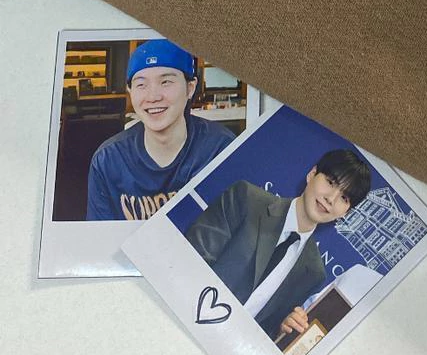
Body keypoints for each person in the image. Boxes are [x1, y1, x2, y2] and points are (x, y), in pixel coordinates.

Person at [185, 148, 372, 339]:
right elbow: (192, 255)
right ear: (312, 174)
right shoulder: (247, 199)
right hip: (182, 314)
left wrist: (282, 330)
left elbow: (265, 333)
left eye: (344, 198)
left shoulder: (313, 273)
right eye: (330, 182)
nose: (331, 199)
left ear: (345, 213)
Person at [86, 38, 234, 221]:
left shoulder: (221, 149)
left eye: (166, 82)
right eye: (141, 85)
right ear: (130, 91)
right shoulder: (109, 160)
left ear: (190, 88)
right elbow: (99, 235)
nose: (153, 97)